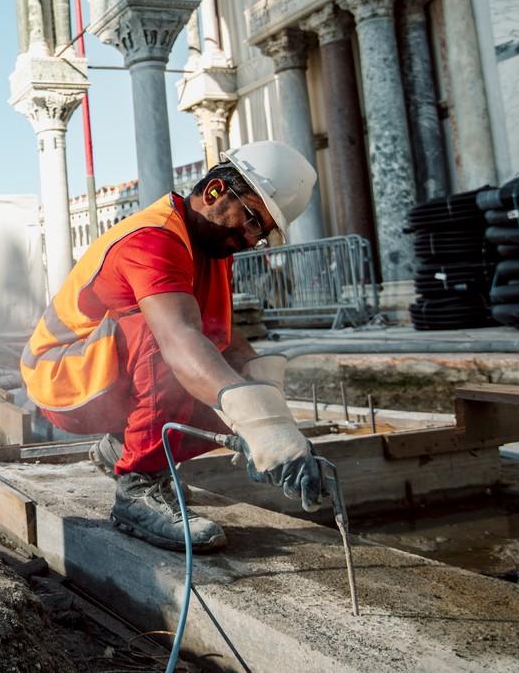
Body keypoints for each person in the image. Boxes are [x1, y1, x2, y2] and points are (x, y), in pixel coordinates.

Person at [21, 142, 320, 553]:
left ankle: (122, 451)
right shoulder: (152, 239)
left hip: (103, 377)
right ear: (215, 191)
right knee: (165, 334)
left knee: (229, 387)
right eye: (252, 220)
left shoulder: (213, 248)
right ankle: (137, 487)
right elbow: (178, 340)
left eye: (262, 233)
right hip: (60, 379)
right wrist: (259, 422)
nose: (251, 239)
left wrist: (275, 422)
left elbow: (224, 337)